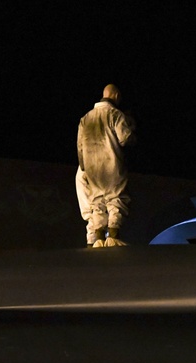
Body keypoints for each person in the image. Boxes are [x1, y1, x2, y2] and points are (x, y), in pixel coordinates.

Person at [76, 83, 135, 247]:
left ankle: (99, 238)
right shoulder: (115, 114)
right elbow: (125, 138)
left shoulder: (85, 118)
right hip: (111, 165)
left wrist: (84, 167)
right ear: (116, 96)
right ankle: (113, 235)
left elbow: (80, 147)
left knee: (97, 202)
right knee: (116, 198)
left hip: (92, 169)